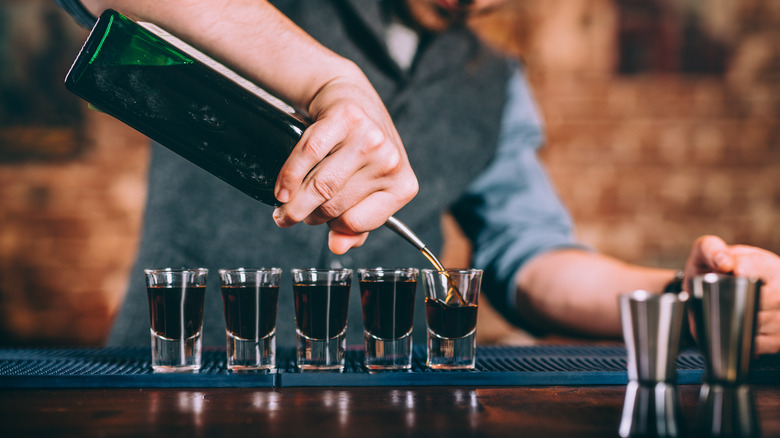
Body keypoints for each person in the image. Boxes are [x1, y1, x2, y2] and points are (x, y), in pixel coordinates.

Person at [55, 0, 780, 355]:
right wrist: (325, 79)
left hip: (379, 405)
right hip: (170, 384)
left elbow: (531, 260)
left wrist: (687, 304)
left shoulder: (495, 83)